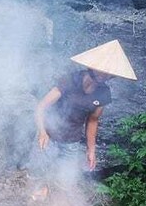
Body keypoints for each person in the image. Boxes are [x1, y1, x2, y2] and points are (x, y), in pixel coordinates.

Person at [34, 39, 137, 174]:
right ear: (93, 66)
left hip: (71, 142)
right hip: (49, 135)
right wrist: (42, 132)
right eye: (102, 69)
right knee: (38, 176)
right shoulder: (70, 80)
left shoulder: (104, 93)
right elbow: (41, 107)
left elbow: (93, 120)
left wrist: (91, 150)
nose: (104, 75)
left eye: (109, 72)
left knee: (65, 181)